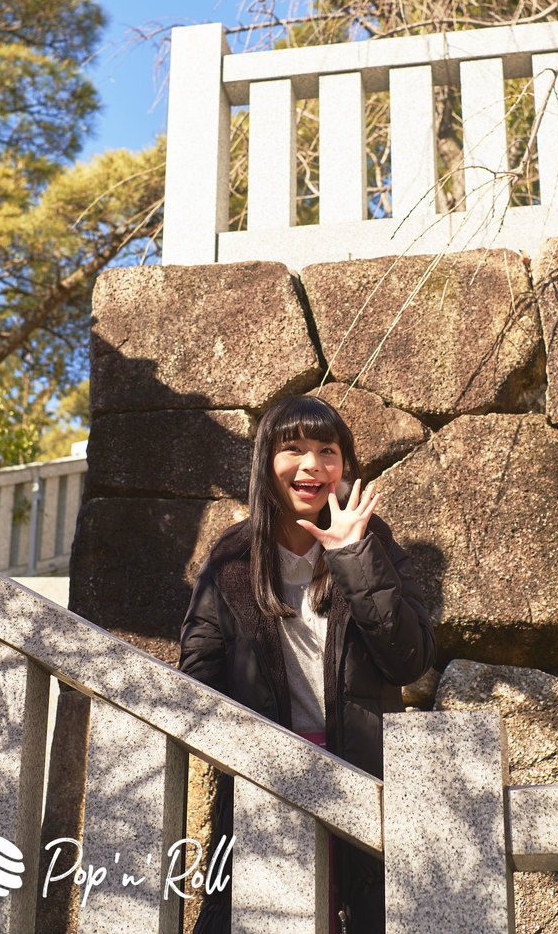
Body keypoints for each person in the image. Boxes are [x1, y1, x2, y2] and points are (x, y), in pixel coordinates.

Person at [180, 394, 436, 934]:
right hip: (266, 781)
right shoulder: (230, 558)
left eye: (327, 451)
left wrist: (351, 556)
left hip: (364, 776)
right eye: (292, 448)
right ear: (266, 463)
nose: (311, 465)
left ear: (344, 468)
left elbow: (409, 660)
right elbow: (197, 678)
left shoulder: (373, 542)